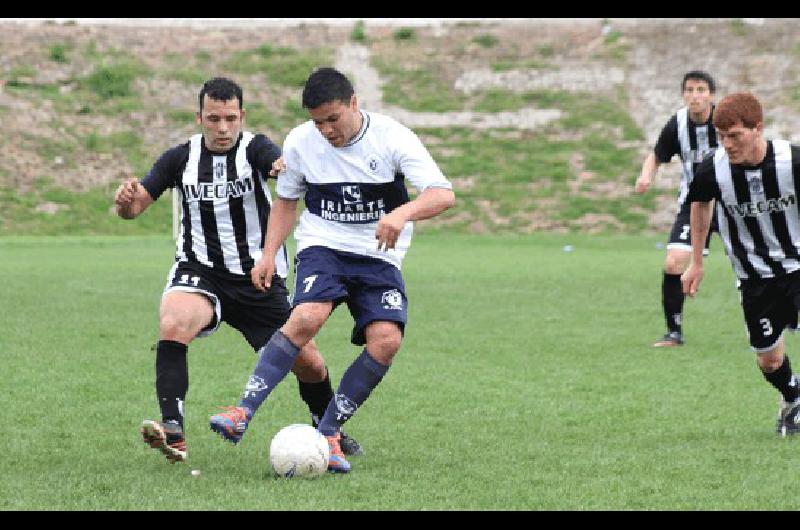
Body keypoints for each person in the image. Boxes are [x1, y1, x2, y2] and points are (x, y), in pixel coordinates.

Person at [208, 67, 456, 473]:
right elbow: (287, 201)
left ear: (354, 104)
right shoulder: (301, 141)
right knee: (307, 316)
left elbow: (443, 194)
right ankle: (242, 411)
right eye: (317, 121)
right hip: (324, 245)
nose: (325, 130)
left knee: (386, 341)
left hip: (379, 254)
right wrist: (268, 253)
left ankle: (328, 432)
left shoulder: (392, 136)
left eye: (333, 119)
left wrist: (402, 213)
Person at [113, 77, 362, 464]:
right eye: (213, 118)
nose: (223, 128)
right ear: (199, 118)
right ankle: (173, 429)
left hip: (256, 279)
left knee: (309, 363)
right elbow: (135, 208)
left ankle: (328, 427)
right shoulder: (178, 159)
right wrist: (126, 201)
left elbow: (277, 165)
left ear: (241, 116)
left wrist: (283, 166)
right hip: (200, 271)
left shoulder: (255, 148)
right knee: (174, 320)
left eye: (230, 118)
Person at [681, 92, 800, 436]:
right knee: (769, 360)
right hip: (753, 277)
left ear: (757, 129)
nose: (728, 144)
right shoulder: (712, 168)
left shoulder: (791, 161)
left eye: (735, 136)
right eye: (722, 137)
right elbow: (700, 205)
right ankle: (793, 399)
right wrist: (696, 262)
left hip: (796, 266)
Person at [635, 70, 720, 347]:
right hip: (695, 203)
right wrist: (646, 175)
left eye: (701, 90)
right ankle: (674, 332)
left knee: (768, 258)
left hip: (733, 202)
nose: (694, 96)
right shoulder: (678, 124)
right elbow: (657, 155)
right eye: (690, 90)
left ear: (711, 95)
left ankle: (788, 315)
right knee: (673, 263)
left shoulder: (724, 121)